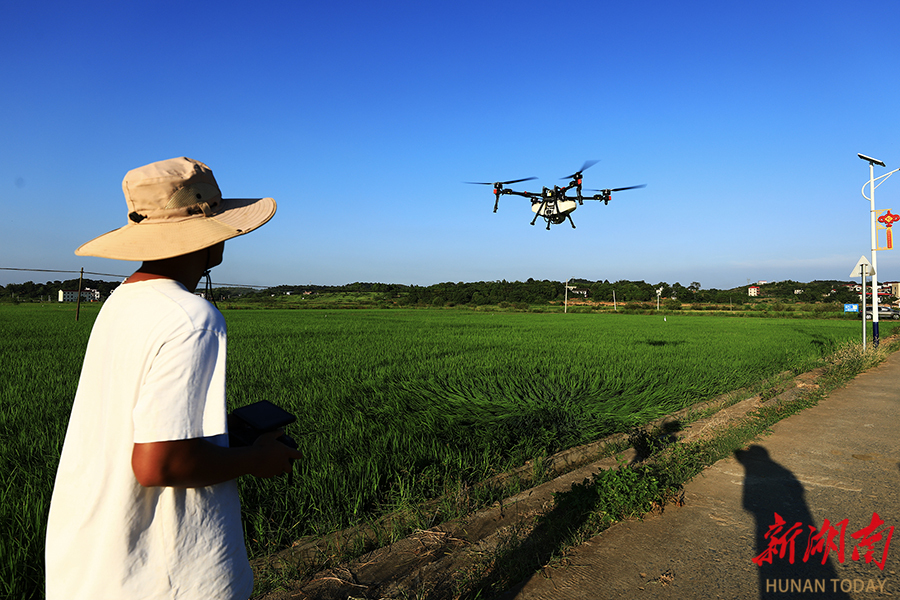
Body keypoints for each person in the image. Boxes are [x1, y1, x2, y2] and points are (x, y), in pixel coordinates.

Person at [45, 157, 302, 599]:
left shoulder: (123, 300)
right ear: (210, 236)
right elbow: (158, 463)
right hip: (166, 577)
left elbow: (142, 424)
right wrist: (257, 459)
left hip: (96, 565)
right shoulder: (192, 318)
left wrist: (227, 434)